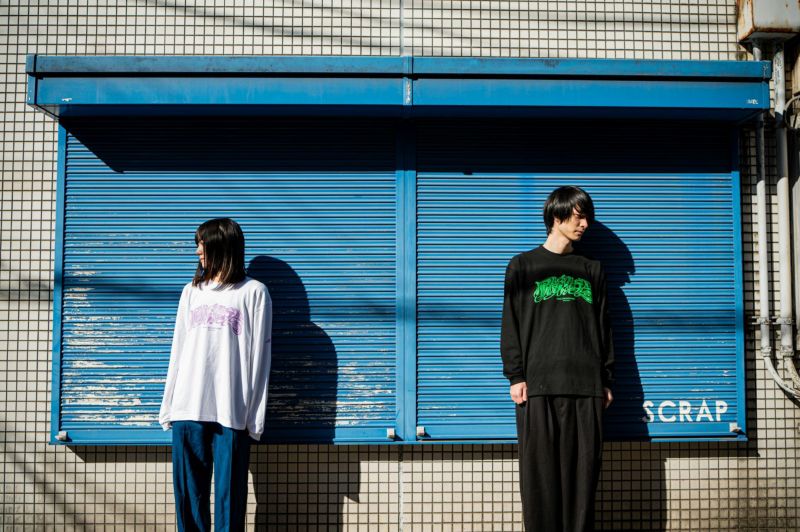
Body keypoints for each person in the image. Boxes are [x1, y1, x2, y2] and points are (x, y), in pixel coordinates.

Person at [501, 186, 614, 532]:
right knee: (540, 479)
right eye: (579, 217)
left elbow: (604, 327)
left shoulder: (591, 269)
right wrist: (516, 375)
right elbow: (510, 323)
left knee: (583, 480)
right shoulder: (523, 266)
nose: (585, 224)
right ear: (556, 216)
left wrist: (606, 379)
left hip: (586, 387)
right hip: (538, 387)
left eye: (587, 217)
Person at [159, 218, 272, 531]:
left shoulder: (254, 292)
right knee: (188, 496)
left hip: (231, 410)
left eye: (203, 244)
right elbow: (178, 350)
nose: (197, 251)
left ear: (223, 246)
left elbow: (260, 358)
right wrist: (168, 406)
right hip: (187, 407)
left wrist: (254, 418)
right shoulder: (191, 292)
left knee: (230, 498)